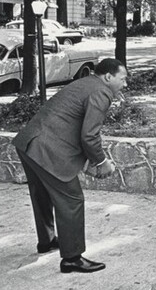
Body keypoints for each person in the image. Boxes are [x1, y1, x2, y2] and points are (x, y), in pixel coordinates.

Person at [13, 58, 127, 274]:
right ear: (108, 77)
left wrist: (87, 162)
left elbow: (70, 125)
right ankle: (72, 259)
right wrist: (101, 162)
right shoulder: (101, 92)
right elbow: (89, 135)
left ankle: (46, 241)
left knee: (42, 194)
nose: (125, 84)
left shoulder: (85, 84)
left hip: (28, 142)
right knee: (72, 199)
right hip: (46, 148)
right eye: (123, 79)